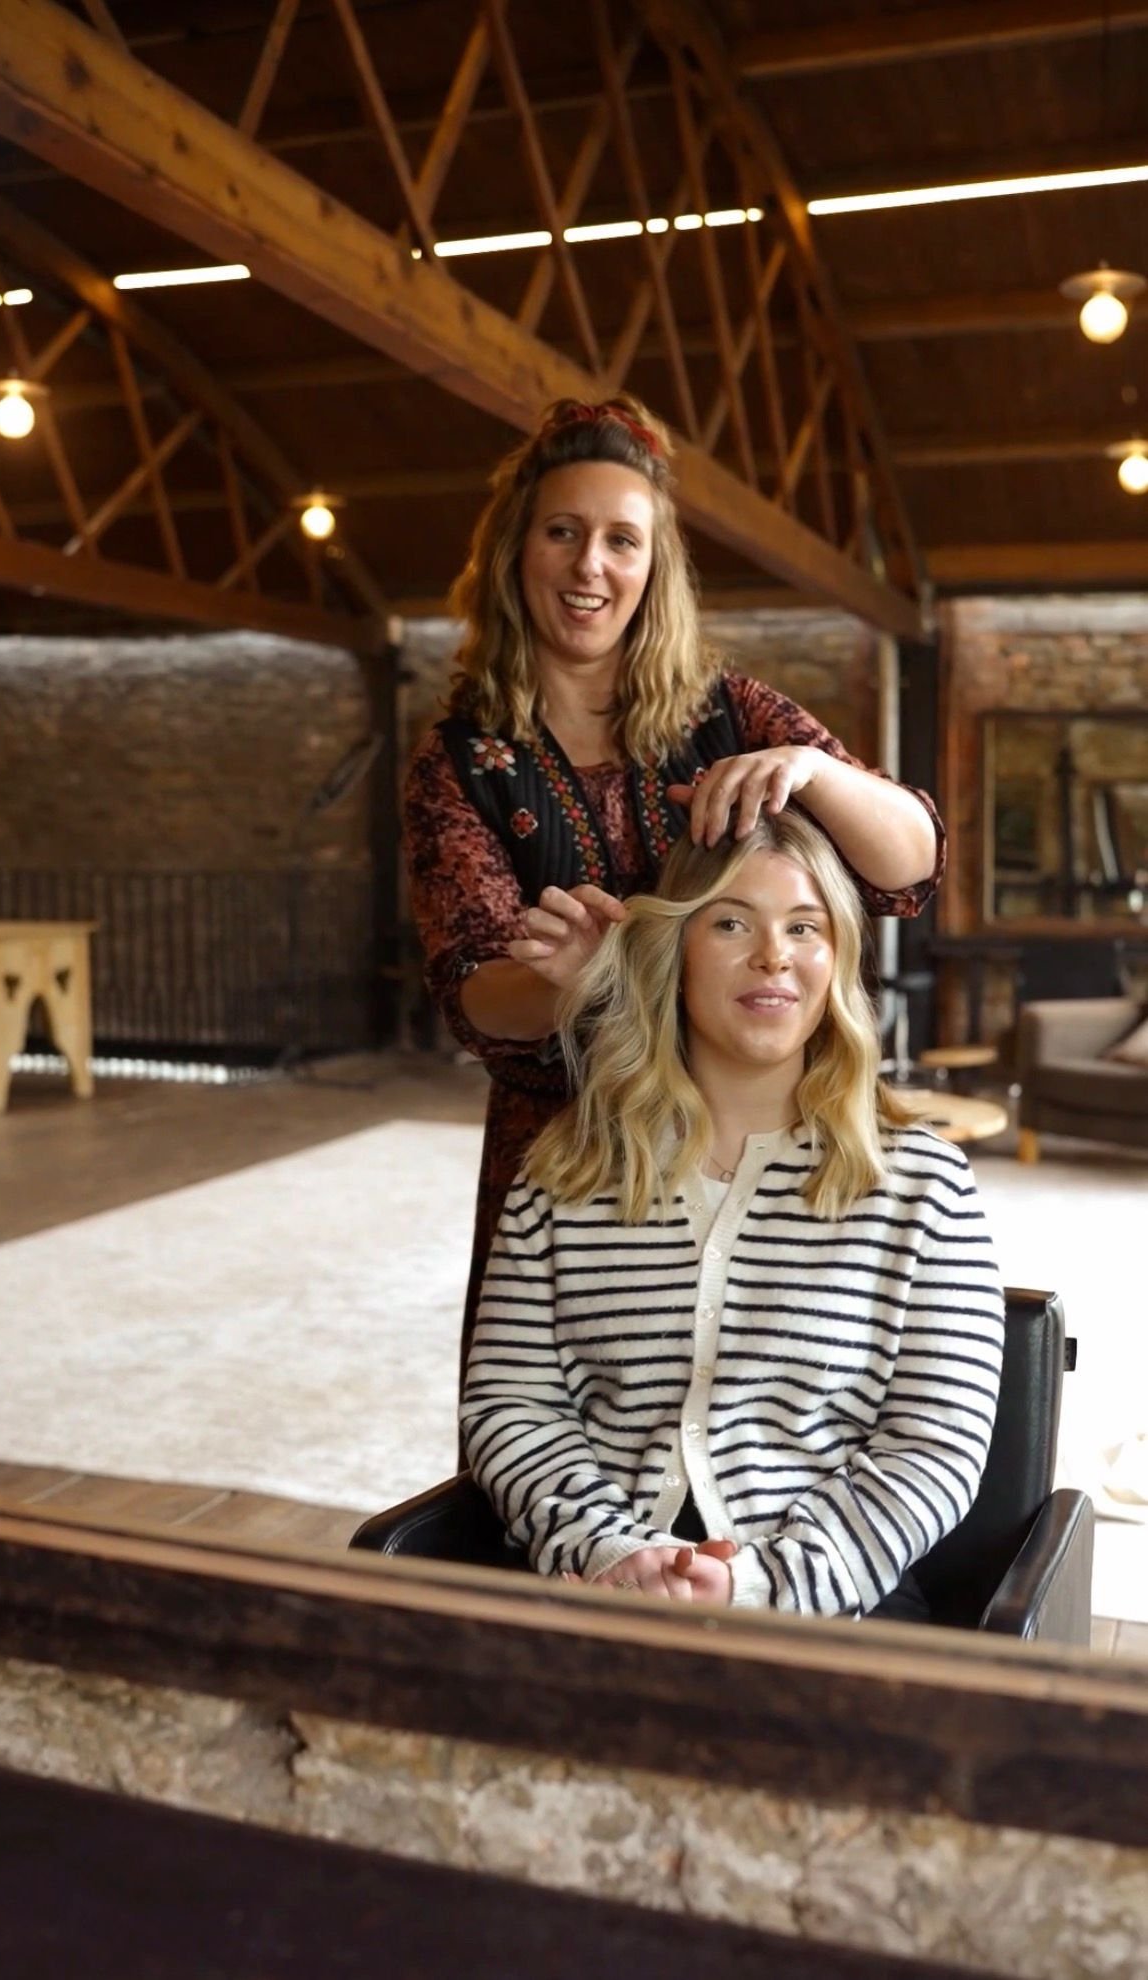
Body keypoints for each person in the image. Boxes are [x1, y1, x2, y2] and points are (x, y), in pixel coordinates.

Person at [403, 392, 945, 1384]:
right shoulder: (458, 762)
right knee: (556, 1414)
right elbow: (474, 990)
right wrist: (575, 983)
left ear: (655, 568)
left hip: (755, 1131)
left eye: (622, 539)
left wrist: (814, 773)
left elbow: (910, 863)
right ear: (517, 550)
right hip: (569, 1145)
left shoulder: (732, 711)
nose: (590, 566)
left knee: (756, 1410)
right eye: (563, 533)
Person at [460, 808, 1004, 1615]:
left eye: (804, 927)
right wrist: (612, 1552)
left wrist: (758, 1585)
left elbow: (936, 1444)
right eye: (729, 922)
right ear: (672, 954)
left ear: (836, 960)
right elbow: (510, 1402)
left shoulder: (922, 1184)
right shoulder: (564, 1172)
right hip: (593, 1589)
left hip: (828, 1606)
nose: (773, 956)